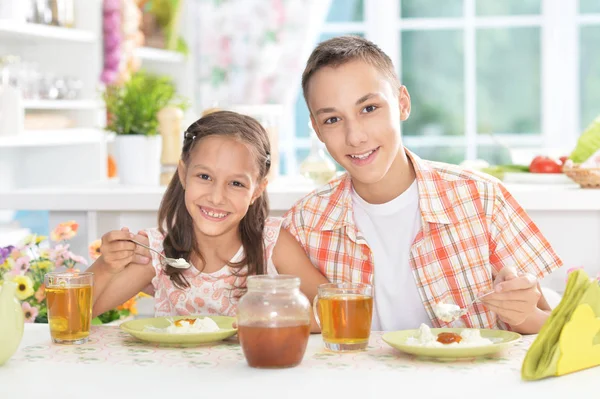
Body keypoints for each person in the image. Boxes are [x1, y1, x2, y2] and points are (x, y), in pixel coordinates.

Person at [283, 35, 563, 334]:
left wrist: (522, 313)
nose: (355, 137)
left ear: (402, 105)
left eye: (369, 109)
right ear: (316, 129)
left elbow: (551, 324)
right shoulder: (304, 224)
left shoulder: (480, 198)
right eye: (333, 120)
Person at [88, 111, 328, 331]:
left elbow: (333, 310)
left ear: (257, 190)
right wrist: (105, 266)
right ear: (183, 174)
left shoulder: (273, 244)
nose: (216, 197)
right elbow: (76, 317)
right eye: (204, 176)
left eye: (236, 183)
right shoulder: (158, 253)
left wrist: (277, 319)